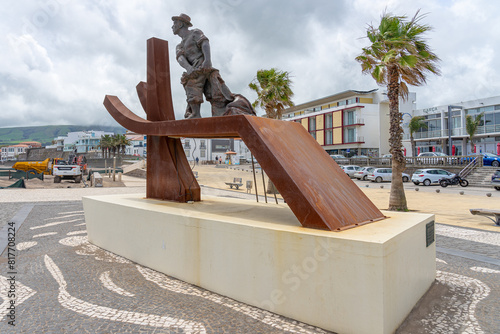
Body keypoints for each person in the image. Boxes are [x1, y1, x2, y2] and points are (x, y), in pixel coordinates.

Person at [171, 14, 255, 118]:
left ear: (180, 24)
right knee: (197, 87)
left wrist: (207, 60)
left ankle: (198, 114)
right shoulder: (179, 45)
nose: (172, 26)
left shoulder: (194, 33)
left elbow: (204, 43)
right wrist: (189, 68)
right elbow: (180, 58)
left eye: (174, 23)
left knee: (213, 90)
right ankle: (196, 113)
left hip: (202, 65)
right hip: (193, 69)